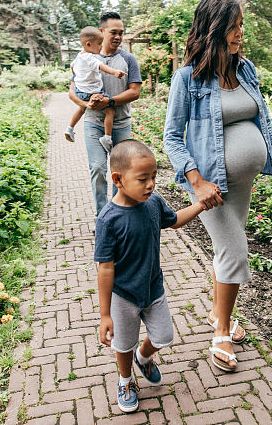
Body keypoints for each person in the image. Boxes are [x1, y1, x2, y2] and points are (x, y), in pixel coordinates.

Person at [163, 0, 272, 372]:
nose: (242, 32)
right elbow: (172, 136)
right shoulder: (187, 78)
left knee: (226, 251)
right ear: (216, 28)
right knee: (235, 251)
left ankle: (215, 314)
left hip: (242, 183)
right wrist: (197, 180)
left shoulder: (246, 70)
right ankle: (221, 331)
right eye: (236, 25)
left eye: (242, 25)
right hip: (210, 186)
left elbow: (264, 122)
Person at [95, 139, 205, 413]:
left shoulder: (153, 202)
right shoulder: (109, 219)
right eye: (143, 178)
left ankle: (143, 358)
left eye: (154, 177)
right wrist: (104, 314)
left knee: (164, 336)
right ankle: (125, 379)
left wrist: (201, 205)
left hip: (153, 289)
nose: (151, 184)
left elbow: (175, 220)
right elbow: (105, 268)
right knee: (123, 344)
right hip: (123, 295)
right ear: (118, 179)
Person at [69, 11, 142, 216]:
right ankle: (102, 216)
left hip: (120, 124)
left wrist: (109, 101)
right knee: (98, 169)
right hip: (93, 123)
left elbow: (135, 91)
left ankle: (117, 212)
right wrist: (87, 104)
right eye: (113, 32)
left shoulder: (128, 59)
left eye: (121, 32)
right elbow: (72, 91)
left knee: (121, 173)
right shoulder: (86, 58)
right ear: (101, 31)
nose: (118, 36)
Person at [64, 26, 128, 151]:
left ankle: (70, 128)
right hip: (92, 92)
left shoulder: (78, 57)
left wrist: (81, 78)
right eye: (99, 44)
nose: (101, 47)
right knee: (110, 111)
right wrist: (114, 72)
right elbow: (101, 66)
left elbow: (72, 69)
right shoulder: (90, 57)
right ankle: (107, 137)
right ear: (88, 44)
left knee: (82, 108)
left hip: (80, 90)